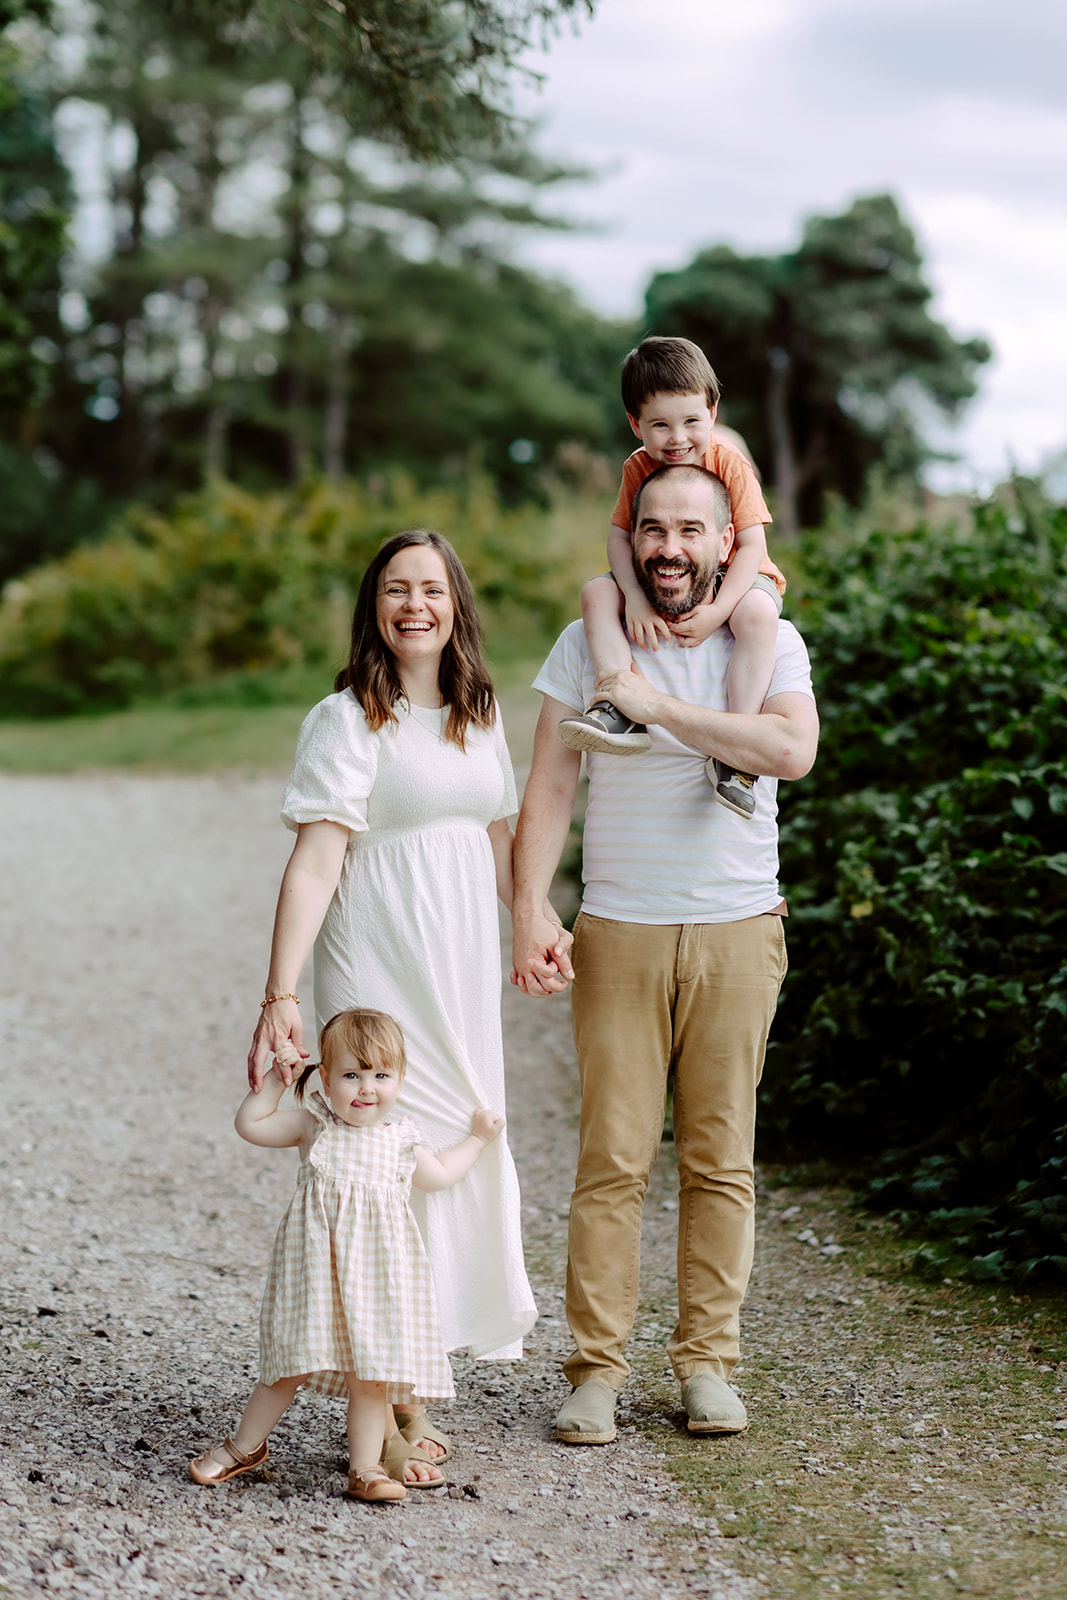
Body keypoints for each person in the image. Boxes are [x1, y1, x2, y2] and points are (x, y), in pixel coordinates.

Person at [248, 528, 565, 1483]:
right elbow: (312, 862)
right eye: (395, 589)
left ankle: (416, 1368)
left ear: (456, 604)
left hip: (460, 959)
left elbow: (503, 830)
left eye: (431, 587)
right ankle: (391, 1403)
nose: (414, 604)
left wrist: (528, 922)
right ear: (374, 607)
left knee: (459, 1138)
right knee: (382, 1160)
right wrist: (281, 991)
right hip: (379, 956)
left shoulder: (480, 709)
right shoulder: (345, 720)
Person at [512, 464, 819, 1445]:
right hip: (619, 930)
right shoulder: (584, 645)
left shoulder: (766, 638)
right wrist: (527, 907)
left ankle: (705, 1367)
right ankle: (595, 1371)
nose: (669, 547)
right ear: (630, 536)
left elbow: (788, 751)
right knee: (609, 1161)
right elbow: (549, 789)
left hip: (738, 928)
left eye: (690, 528)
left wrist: (655, 710)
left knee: (718, 1160)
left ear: (725, 542)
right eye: (652, 527)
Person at [190, 1009, 504, 1503]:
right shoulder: (315, 1125)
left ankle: (366, 1468)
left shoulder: (401, 1139)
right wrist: (276, 1079)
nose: (366, 1088)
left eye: (381, 1075)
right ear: (327, 1078)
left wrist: (478, 1140)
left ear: (400, 1079)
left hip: (378, 1280)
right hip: (315, 1273)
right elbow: (250, 1124)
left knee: (371, 1374)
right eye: (351, 1075)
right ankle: (243, 1447)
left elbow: (441, 1174)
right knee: (286, 1366)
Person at [557, 335, 787, 820]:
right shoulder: (637, 468)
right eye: (660, 425)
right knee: (597, 593)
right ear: (635, 423)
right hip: (659, 575)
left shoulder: (728, 462)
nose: (677, 438)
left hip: (735, 577)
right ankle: (616, 704)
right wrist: (634, 598)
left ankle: (735, 755)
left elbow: (752, 547)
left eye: (691, 422)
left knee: (760, 615)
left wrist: (717, 613)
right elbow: (620, 539)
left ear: (713, 411)